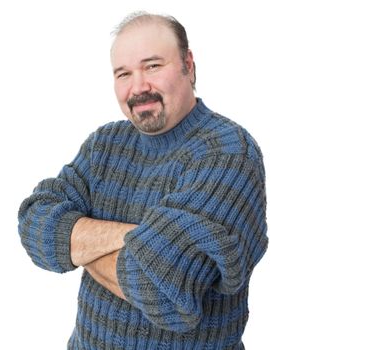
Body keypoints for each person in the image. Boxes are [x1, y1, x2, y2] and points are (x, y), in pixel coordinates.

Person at [18, 11, 268, 350]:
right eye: (124, 73)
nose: (138, 87)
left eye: (152, 66)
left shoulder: (228, 154)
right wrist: (140, 238)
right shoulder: (105, 145)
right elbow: (36, 224)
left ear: (188, 65)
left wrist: (77, 243)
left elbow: (165, 291)